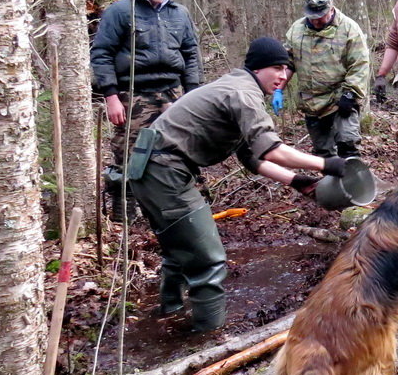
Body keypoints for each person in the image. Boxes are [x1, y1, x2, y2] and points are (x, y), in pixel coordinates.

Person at [128, 37, 347, 333]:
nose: (283, 76)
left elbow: (253, 159)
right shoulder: (243, 94)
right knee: (208, 259)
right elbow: (273, 150)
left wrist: (298, 181)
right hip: (163, 171)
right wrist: (327, 164)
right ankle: (206, 339)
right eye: (277, 68)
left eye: (286, 70)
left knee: (179, 249)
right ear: (258, 68)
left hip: (149, 169)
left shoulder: (236, 87)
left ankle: (169, 315)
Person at [90, 0, 201, 222]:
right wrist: (111, 96)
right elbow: (102, 53)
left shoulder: (179, 14)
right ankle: (124, 215)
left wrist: (193, 93)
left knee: (177, 149)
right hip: (133, 93)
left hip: (173, 92)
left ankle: (172, 206)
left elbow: (191, 54)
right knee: (128, 152)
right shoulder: (120, 12)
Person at [284, 0, 370, 158]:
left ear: (331, 8)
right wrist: (278, 88)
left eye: (320, 16)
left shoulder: (348, 28)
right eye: (312, 16)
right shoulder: (296, 30)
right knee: (323, 152)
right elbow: (287, 62)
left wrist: (350, 94)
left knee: (348, 144)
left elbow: (359, 64)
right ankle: (331, 184)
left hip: (341, 98)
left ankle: (354, 183)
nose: (316, 21)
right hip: (311, 102)